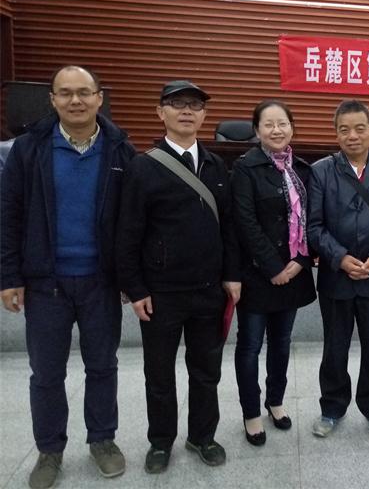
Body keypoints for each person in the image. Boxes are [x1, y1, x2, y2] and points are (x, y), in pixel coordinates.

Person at [0, 65, 135, 489]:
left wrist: (131, 278)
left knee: (103, 366)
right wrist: (8, 276)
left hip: (101, 282)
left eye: (84, 92)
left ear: (99, 98)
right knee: (46, 374)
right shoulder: (28, 149)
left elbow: (133, 221)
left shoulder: (120, 149)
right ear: (53, 100)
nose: (75, 100)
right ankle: (49, 450)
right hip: (45, 283)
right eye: (65, 93)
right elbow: (8, 214)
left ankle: (102, 440)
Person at [115, 80, 240, 473]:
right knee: (159, 373)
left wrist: (232, 275)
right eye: (177, 103)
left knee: (206, 371)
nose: (187, 111)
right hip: (161, 293)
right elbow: (127, 233)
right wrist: (135, 288)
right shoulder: (143, 166)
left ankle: (202, 436)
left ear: (204, 115)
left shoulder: (216, 165)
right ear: (161, 112)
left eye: (195, 105)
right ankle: (160, 441)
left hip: (209, 291)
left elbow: (229, 227)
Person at [307, 99, 369, 441]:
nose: (353, 136)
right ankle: (332, 407)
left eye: (359, 128)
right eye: (344, 130)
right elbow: (314, 226)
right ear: (336, 134)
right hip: (336, 276)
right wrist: (340, 258)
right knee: (334, 347)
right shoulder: (321, 171)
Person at [231, 100, 316, 446]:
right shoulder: (244, 168)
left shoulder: (303, 170)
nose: (276, 130)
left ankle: (275, 400)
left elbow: (313, 219)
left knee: (281, 343)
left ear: (292, 127)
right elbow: (244, 223)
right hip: (257, 274)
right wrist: (273, 267)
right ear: (257, 130)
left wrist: (301, 260)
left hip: (293, 271)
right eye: (268, 124)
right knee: (250, 345)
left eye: (282, 123)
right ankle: (251, 412)